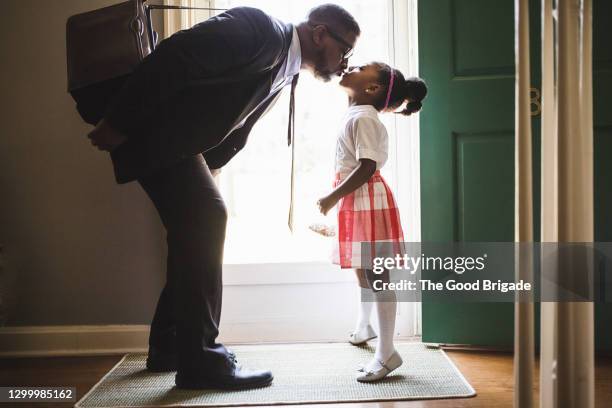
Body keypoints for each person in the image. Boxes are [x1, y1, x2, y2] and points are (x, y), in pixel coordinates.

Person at [87, 5, 360, 390]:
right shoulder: (260, 30)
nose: (346, 63)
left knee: (194, 230)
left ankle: (170, 347)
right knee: (207, 219)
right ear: (320, 34)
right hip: (154, 134)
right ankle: (201, 361)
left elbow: (223, 113)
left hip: (173, 143)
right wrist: (118, 121)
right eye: (345, 50)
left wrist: (209, 165)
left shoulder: (286, 62)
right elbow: (175, 57)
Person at [317, 62, 427, 382]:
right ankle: (364, 326)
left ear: (373, 88)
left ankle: (387, 352)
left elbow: (366, 167)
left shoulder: (365, 117)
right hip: (359, 200)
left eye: (363, 67)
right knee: (362, 268)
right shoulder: (356, 113)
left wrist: (332, 197)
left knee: (377, 275)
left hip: (366, 198)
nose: (353, 65)